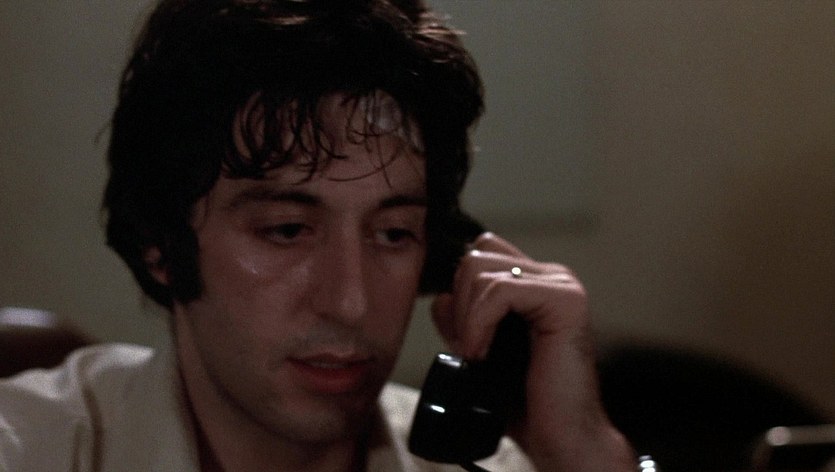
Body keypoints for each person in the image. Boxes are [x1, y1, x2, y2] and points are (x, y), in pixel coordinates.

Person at [0, 1, 635, 470]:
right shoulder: (29, 448)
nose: (351, 303)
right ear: (159, 241)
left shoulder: (494, 466)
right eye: (287, 230)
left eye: (393, 234)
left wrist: (585, 452)